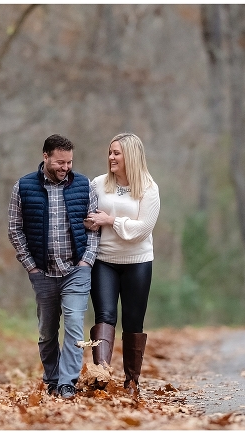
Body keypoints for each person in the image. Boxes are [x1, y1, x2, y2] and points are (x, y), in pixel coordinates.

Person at [8, 134, 100, 400]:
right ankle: (52, 379)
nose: (65, 167)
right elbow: (15, 230)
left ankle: (67, 383)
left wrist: (87, 261)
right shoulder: (23, 187)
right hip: (43, 272)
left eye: (69, 162)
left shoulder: (84, 185)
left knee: (73, 325)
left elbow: (94, 227)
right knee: (47, 331)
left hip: (76, 269)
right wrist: (31, 267)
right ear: (45, 156)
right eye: (60, 162)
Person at [83, 132, 160, 398]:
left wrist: (110, 221)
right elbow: (89, 216)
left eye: (116, 153)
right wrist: (91, 222)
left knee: (133, 322)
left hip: (137, 262)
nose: (111, 157)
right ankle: (100, 374)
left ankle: (131, 381)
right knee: (104, 316)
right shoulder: (98, 184)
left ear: (131, 156)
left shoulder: (149, 188)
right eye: (110, 152)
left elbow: (143, 229)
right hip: (104, 260)